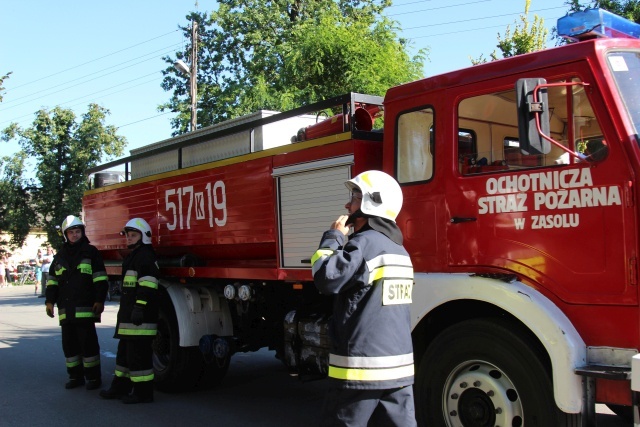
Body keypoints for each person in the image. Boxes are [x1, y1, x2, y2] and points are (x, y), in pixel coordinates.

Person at [310, 170, 416, 427]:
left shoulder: (364, 244)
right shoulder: (399, 250)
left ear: (372, 203)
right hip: (399, 372)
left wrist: (333, 237)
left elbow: (325, 277)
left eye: (355, 197)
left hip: (361, 370)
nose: (347, 205)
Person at [45, 215, 109, 390]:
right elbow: (52, 282)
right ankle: (75, 377)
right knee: (69, 346)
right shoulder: (59, 257)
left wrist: (99, 300)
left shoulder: (90, 252)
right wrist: (49, 301)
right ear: (65, 235)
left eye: (77, 231)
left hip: (86, 308)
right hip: (66, 310)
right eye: (71, 232)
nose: (75, 235)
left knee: (88, 345)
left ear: (82, 232)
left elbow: (100, 279)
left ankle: (93, 378)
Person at [100, 217, 159, 404]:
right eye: (128, 235)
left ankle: (143, 394)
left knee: (139, 358)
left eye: (133, 235)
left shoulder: (145, 257)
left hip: (139, 318)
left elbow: (148, 285)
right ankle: (120, 387)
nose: (129, 238)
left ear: (144, 236)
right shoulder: (135, 255)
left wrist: (139, 307)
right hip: (129, 318)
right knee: (124, 356)